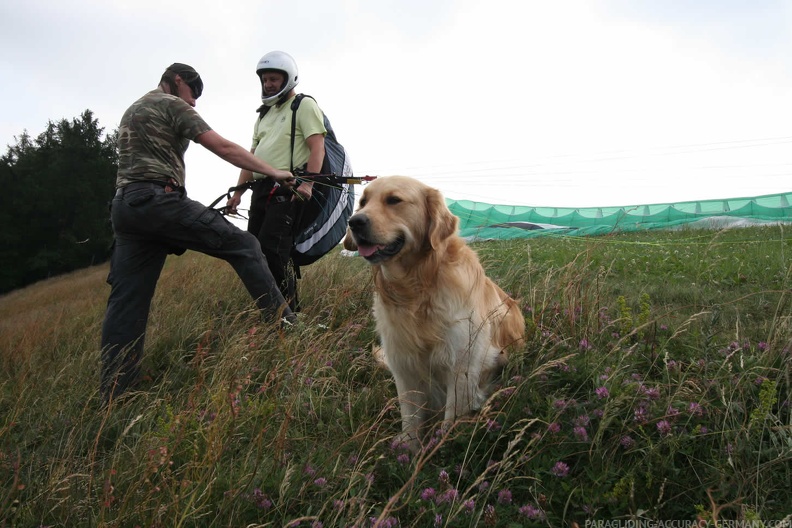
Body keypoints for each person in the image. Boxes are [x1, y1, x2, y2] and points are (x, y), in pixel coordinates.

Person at [101, 63, 297, 404]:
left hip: (126, 211)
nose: (194, 104)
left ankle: (116, 395)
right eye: (194, 94)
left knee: (126, 304)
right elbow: (224, 147)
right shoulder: (170, 104)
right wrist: (274, 172)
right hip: (158, 201)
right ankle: (289, 330)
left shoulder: (132, 109)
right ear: (179, 81)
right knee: (246, 245)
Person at [226, 51, 326, 313]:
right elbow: (251, 158)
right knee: (253, 251)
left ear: (288, 79)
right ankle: (269, 309)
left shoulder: (303, 105)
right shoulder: (263, 115)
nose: (268, 84)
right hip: (258, 191)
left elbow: (317, 147)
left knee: (274, 250)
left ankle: (289, 314)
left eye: (273, 78)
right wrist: (237, 193)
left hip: (287, 190)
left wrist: (308, 184)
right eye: (265, 79)